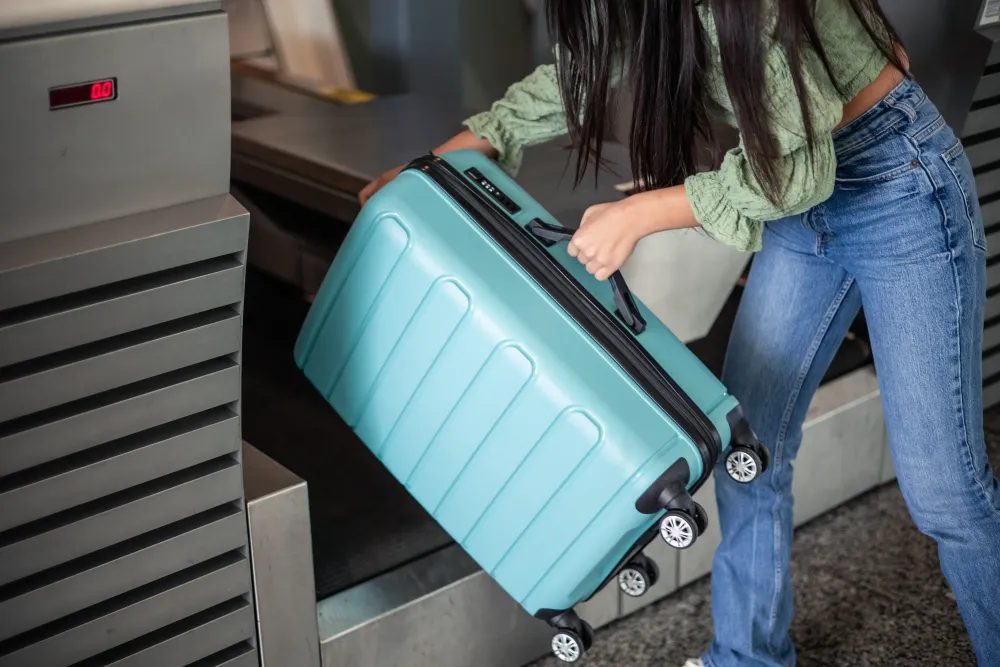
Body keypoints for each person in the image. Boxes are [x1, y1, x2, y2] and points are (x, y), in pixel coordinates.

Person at [359, 0, 1000, 664]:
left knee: (944, 494)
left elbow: (798, 168)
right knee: (750, 444)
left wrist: (642, 213)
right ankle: (747, 656)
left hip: (897, 185)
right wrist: (428, 174)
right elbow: (578, 75)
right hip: (798, 188)